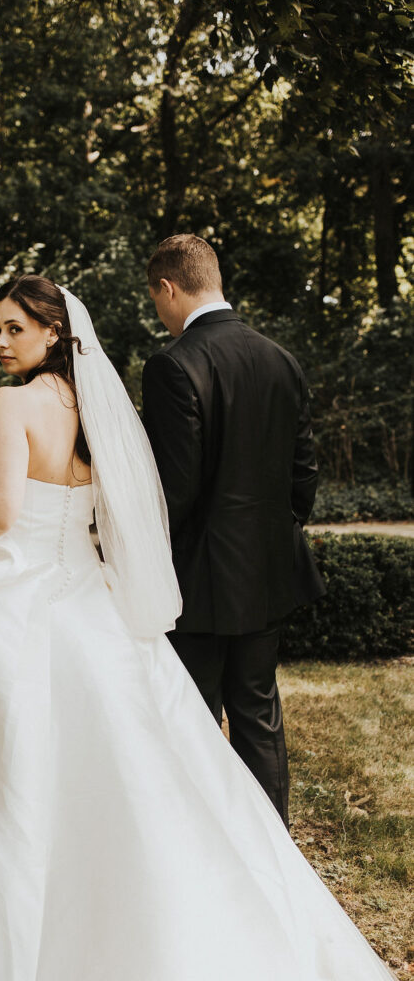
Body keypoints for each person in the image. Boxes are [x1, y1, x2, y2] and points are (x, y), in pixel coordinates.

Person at [0, 274, 393, 981]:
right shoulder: (93, 401)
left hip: (26, 604)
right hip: (92, 601)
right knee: (148, 761)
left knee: (21, 771)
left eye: (13, 327)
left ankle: (38, 916)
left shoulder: (10, 403)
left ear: (54, 331)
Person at [142, 234, 326, 827]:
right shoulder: (281, 358)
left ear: (168, 287)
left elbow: (176, 489)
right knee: (257, 709)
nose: (158, 312)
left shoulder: (173, 365)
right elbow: (304, 476)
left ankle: (207, 850)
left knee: (192, 717)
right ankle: (273, 845)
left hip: (199, 578)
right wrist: (270, 536)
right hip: (269, 570)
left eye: (155, 299)